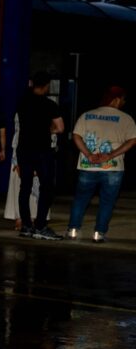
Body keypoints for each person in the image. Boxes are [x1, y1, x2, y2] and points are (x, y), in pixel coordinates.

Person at [66, 86, 136, 243]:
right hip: (112, 168)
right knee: (107, 201)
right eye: (123, 100)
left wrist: (89, 154)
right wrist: (110, 155)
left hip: (87, 166)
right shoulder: (126, 119)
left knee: (81, 199)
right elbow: (132, 141)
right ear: (116, 99)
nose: (123, 103)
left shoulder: (87, 115)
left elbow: (76, 136)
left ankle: (72, 230)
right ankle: (98, 233)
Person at [15, 72, 64, 240]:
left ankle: (26, 226)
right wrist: (47, 129)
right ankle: (41, 225)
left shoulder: (22, 102)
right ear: (46, 86)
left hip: (23, 149)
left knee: (25, 187)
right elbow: (60, 128)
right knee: (46, 187)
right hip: (42, 150)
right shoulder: (50, 104)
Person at [3, 113, 46, 230]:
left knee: (36, 185)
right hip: (21, 154)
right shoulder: (21, 114)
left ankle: (33, 216)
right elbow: (17, 137)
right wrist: (17, 162)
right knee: (19, 186)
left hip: (39, 153)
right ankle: (20, 218)